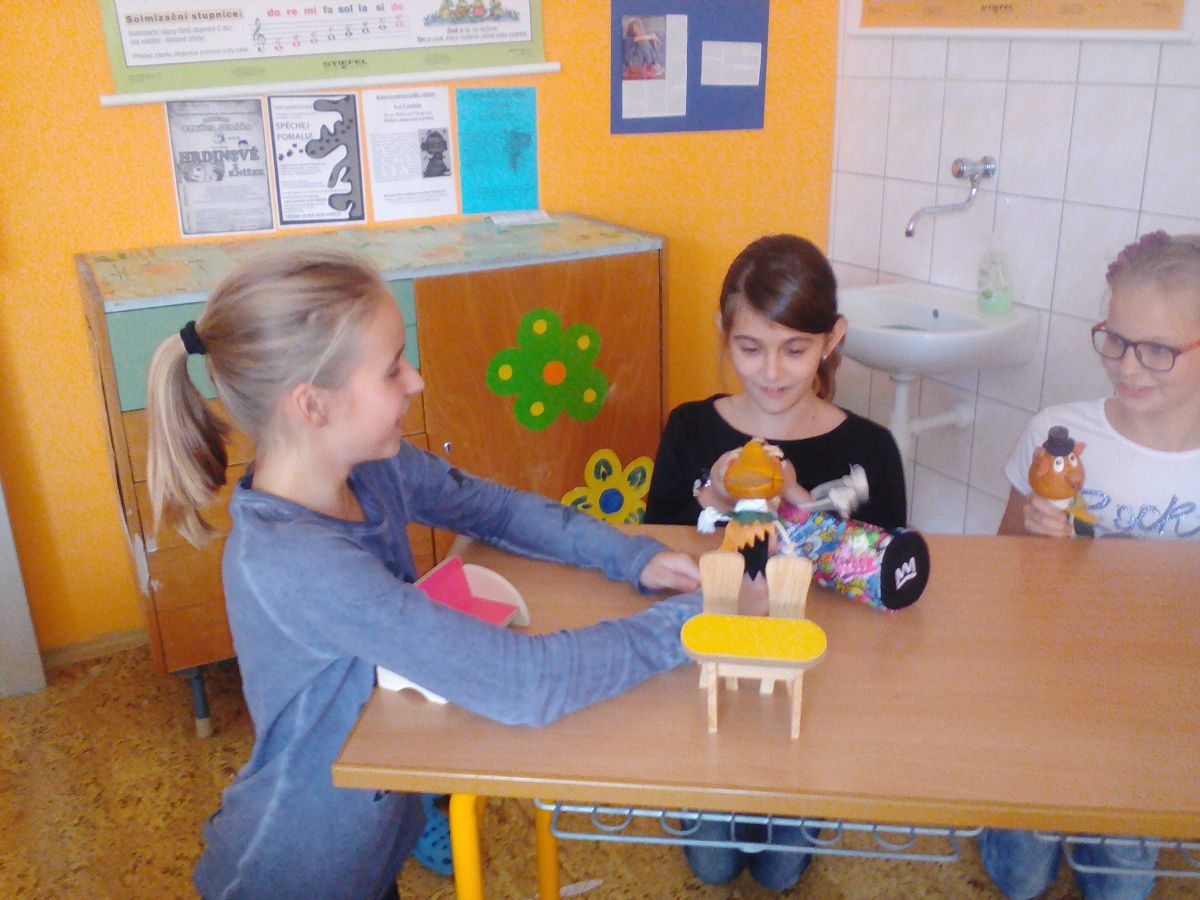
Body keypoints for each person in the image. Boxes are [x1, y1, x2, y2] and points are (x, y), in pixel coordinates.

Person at [145, 251, 702, 900]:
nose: (416, 380)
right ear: (312, 405)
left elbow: (495, 510)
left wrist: (631, 556)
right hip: (297, 870)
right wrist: (689, 624)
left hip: (370, 834)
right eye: (392, 369)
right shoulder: (296, 563)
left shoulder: (368, 465)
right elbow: (525, 683)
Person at [644, 234, 908, 890]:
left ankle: (802, 799)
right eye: (750, 348)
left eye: (795, 349)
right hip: (709, 677)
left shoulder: (870, 449)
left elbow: (882, 574)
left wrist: (797, 503)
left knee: (781, 873)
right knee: (713, 866)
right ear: (724, 334)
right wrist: (710, 494)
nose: (771, 372)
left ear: (831, 339)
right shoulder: (690, 429)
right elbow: (653, 547)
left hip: (816, 683)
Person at [981, 231, 1200, 900]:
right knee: (1020, 880)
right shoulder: (1061, 433)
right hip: (1049, 692)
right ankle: (1008, 802)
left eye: (1158, 350)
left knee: (1122, 889)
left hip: (1157, 709)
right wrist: (1035, 544)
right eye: (1115, 339)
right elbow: (998, 565)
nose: (1129, 366)